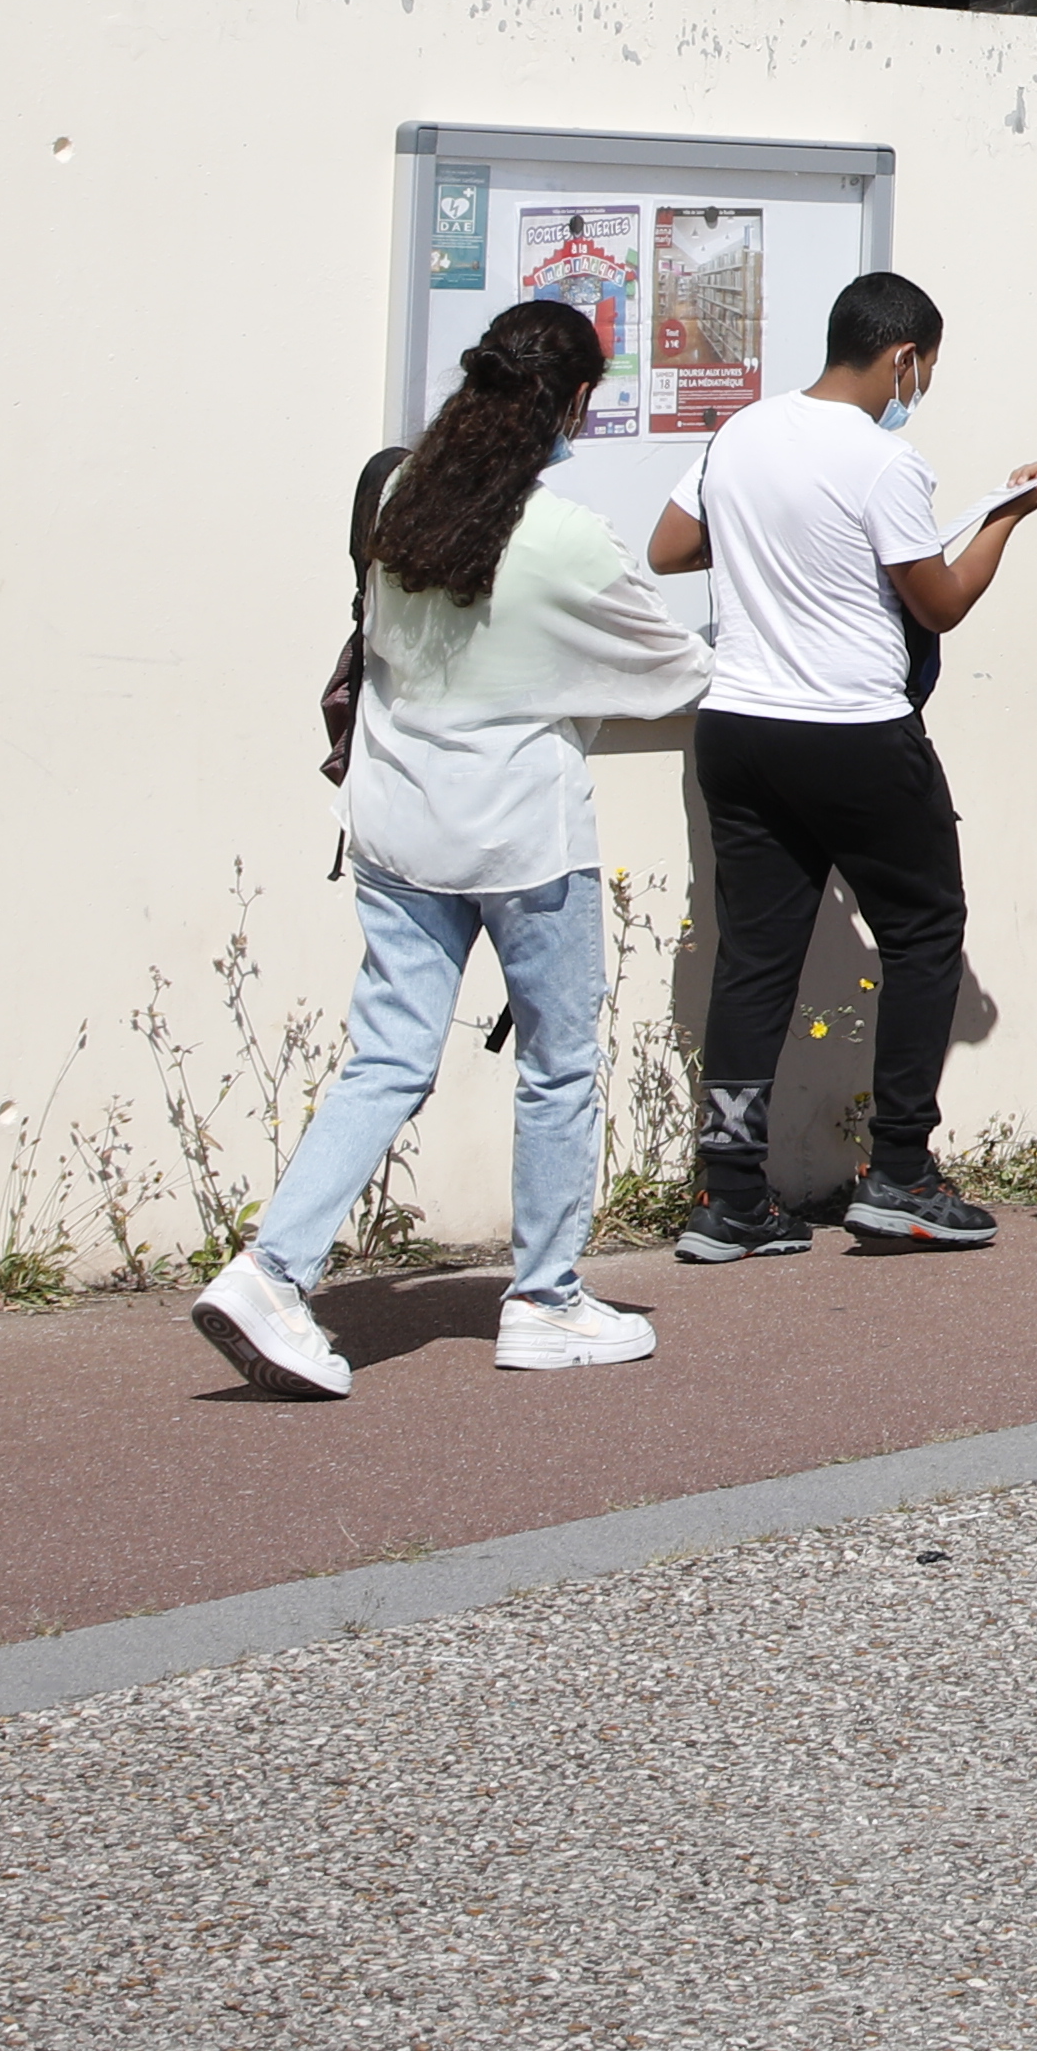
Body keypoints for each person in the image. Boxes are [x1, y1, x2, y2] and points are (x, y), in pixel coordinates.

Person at [197, 301, 712, 1392]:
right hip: (521, 838)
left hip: (393, 825)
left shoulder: (393, 494)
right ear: (574, 403)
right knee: (560, 1066)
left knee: (385, 1059)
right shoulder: (565, 535)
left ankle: (271, 1270)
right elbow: (676, 670)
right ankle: (545, 1299)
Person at [644, 271, 1037, 1260]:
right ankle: (902, 1173)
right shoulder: (885, 463)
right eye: (925, 367)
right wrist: (1007, 512)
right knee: (925, 930)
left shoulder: (740, 433)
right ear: (903, 357)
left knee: (755, 956)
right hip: (853, 729)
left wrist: (771, 544)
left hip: (740, 727)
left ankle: (732, 1194)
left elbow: (670, 547)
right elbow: (941, 602)